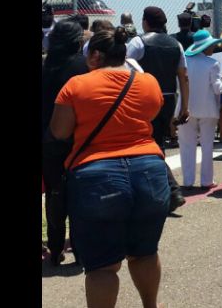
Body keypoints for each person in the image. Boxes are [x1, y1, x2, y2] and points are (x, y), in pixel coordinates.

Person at [49, 27, 169, 308]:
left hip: (97, 177)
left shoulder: (76, 86)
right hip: (149, 171)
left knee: (102, 267)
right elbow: (152, 113)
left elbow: (59, 131)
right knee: (145, 252)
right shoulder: (148, 81)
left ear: (94, 56)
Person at [126, 6, 189, 213]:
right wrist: (184, 107)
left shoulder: (138, 42)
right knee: (157, 144)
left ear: (145, 22)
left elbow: (124, 67)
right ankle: (166, 191)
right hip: (169, 99)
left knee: (148, 145)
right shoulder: (176, 44)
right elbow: (183, 77)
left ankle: (170, 191)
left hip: (144, 99)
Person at [42, 20, 90, 266]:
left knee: (54, 192)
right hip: (78, 138)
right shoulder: (83, 66)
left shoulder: (45, 65)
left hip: (47, 139)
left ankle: (55, 247)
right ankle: (80, 248)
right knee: (79, 193)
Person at [177, 30, 222, 189]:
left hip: (186, 107)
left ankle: (188, 181)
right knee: (207, 146)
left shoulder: (184, 62)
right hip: (208, 109)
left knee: (186, 145)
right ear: (205, 47)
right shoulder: (212, 63)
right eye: (211, 45)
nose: (213, 47)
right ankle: (206, 181)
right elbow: (218, 89)